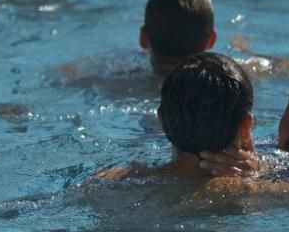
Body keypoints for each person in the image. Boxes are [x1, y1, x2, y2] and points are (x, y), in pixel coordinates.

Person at [59, 0, 289, 96]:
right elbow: (287, 68)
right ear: (211, 41)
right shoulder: (233, 76)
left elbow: (65, 75)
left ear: (144, 38)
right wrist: (250, 53)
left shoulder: (115, 78)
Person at [97, 52, 257, 181]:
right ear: (246, 127)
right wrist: (258, 173)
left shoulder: (113, 181)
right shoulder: (263, 191)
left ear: (161, 119)